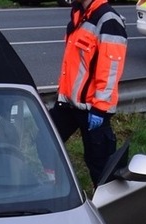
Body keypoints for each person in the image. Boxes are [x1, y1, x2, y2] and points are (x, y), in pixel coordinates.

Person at [48, 0, 128, 189]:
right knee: (46, 140)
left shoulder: (108, 20)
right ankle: (54, 188)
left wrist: (100, 108)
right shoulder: (79, 15)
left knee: (99, 160)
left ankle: (107, 200)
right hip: (69, 104)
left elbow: (110, 71)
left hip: (94, 108)